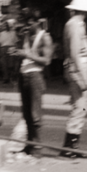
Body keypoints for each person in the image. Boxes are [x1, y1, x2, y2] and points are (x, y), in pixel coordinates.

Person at [12, 10, 53, 159]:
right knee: (27, 114)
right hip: (24, 75)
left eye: (30, 23)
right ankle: (29, 145)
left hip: (35, 76)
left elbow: (47, 60)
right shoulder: (26, 36)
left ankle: (36, 147)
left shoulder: (45, 38)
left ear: (38, 22)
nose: (28, 26)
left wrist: (27, 54)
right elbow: (22, 55)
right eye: (26, 23)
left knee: (35, 114)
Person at [62, 0, 87, 157]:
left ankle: (72, 144)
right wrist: (84, 76)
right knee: (80, 107)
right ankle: (70, 146)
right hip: (78, 67)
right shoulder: (76, 25)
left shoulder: (74, 23)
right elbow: (75, 53)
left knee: (79, 107)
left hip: (75, 67)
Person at [0, 14, 19, 84]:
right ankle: (9, 77)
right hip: (9, 48)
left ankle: (8, 77)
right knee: (8, 64)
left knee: (7, 64)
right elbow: (16, 42)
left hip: (6, 48)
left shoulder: (3, 33)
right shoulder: (11, 33)